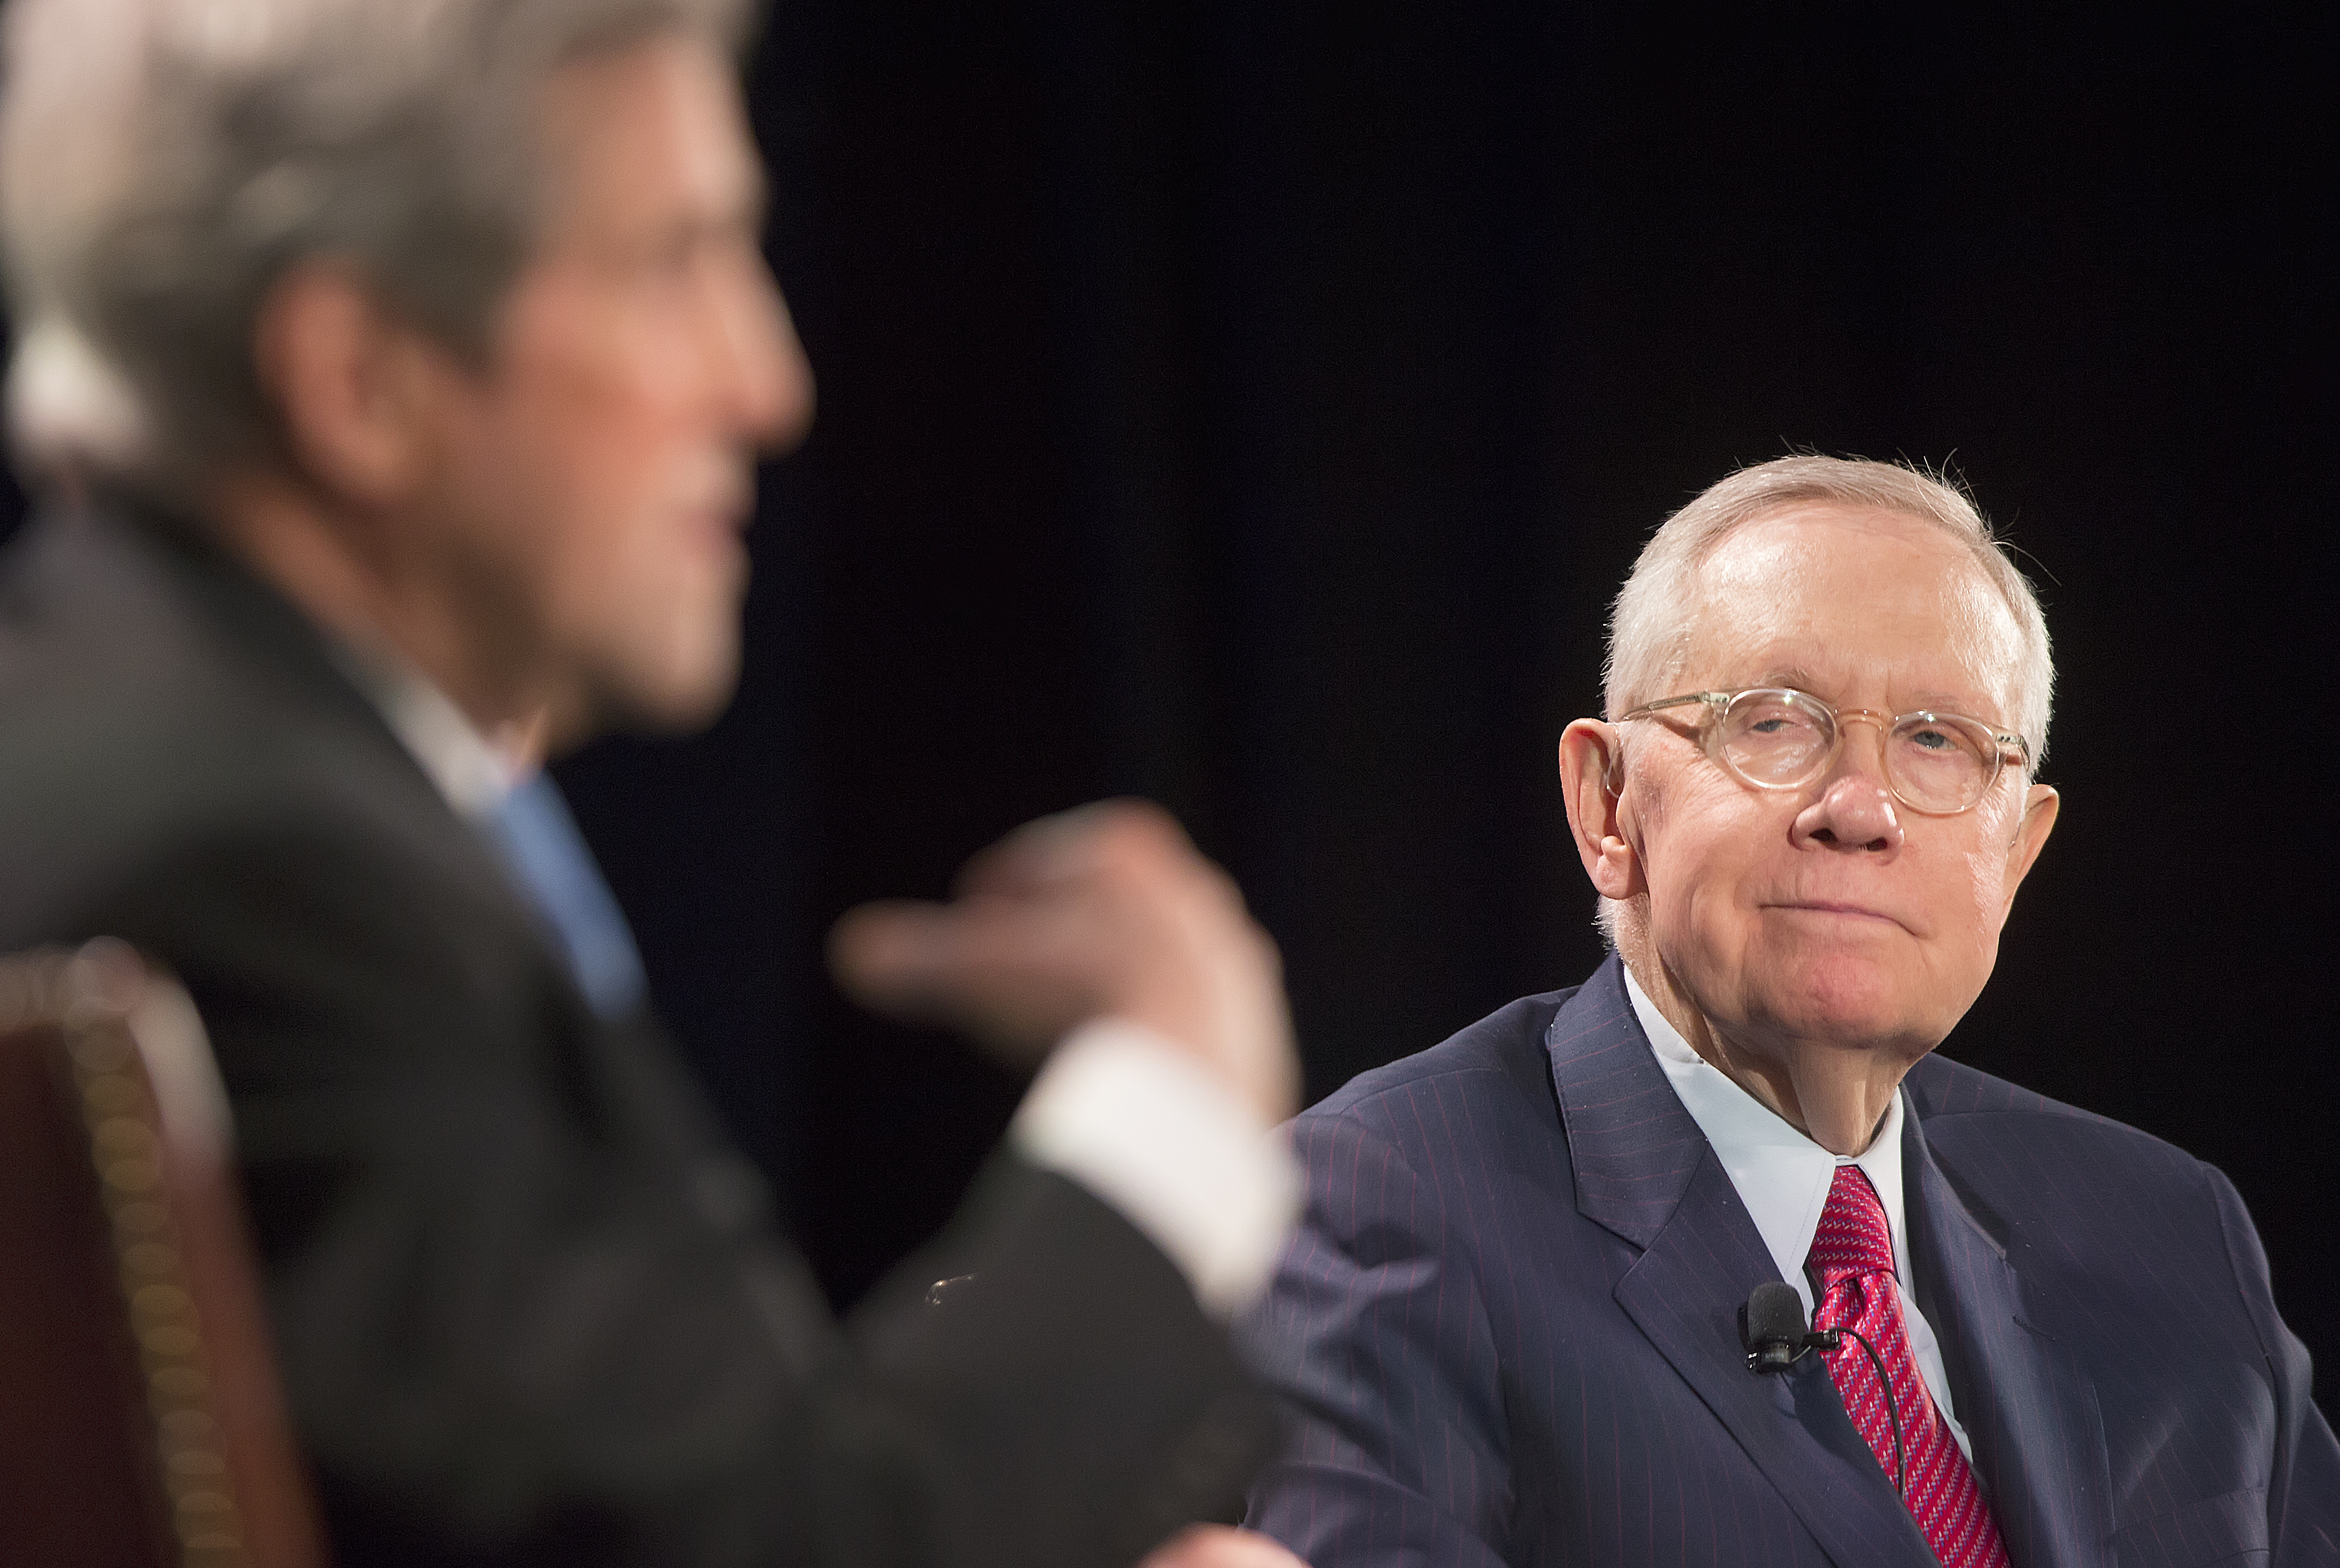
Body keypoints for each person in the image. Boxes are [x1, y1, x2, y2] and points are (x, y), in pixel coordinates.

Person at [0, 2, 1311, 1565]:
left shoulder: (186, 739)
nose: (766, 384)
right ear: (362, 382)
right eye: (674, 261)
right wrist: (1176, 1092)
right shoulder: (252, 860)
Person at [1237, 456, 2339, 1566]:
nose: (1859, 808)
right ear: (1608, 805)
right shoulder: (1375, 1207)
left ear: (2016, 853)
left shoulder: (2172, 1230)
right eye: (1771, 721)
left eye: (1937, 740)